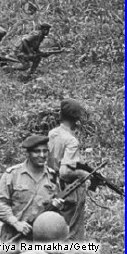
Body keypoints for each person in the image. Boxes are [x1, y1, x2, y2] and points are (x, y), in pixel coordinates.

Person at [0, 135, 64, 254]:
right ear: (28, 153)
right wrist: (15, 222)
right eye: (37, 151)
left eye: (45, 151)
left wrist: (56, 206)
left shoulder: (52, 177)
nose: (42, 155)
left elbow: (55, 207)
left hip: (40, 243)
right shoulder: (13, 175)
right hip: (13, 238)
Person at [48, 99, 88, 241]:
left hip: (49, 184)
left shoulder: (52, 133)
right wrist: (84, 174)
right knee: (69, 229)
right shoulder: (71, 141)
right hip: (65, 189)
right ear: (76, 118)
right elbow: (65, 172)